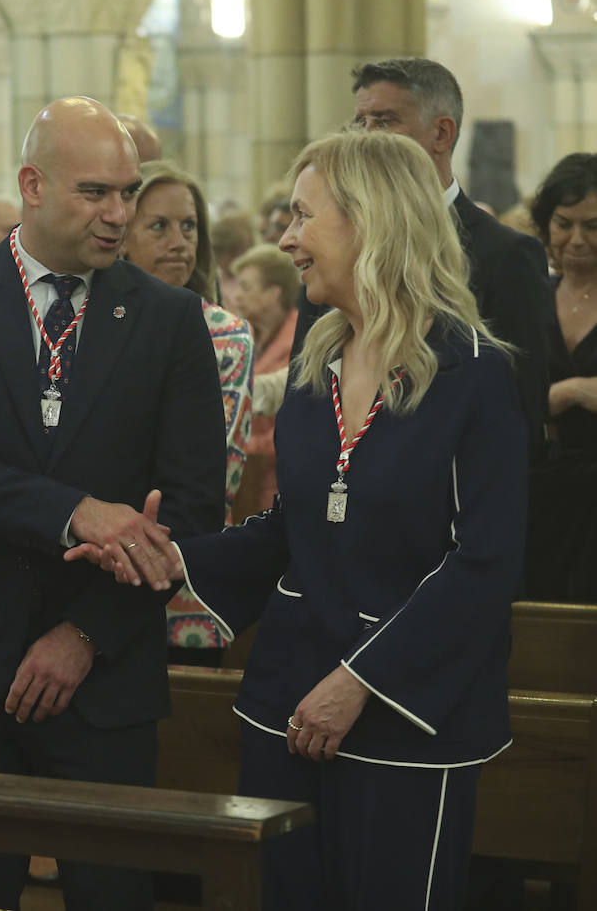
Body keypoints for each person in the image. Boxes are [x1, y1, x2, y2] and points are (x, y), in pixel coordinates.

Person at [70, 130, 526, 911]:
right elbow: (294, 526)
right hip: (288, 697)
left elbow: (484, 561)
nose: (285, 240)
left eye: (302, 216)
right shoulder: (318, 366)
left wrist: (359, 683)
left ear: (371, 221)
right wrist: (173, 559)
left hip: (409, 714)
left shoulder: (475, 374)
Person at [0, 96, 225, 909]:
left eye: (127, 193)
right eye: (95, 192)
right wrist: (76, 511)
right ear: (33, 185)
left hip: (104, 675)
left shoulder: (168, 319)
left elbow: (193, 506)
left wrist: (83, 636)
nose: (119, 215)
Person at [292, 58, 550, 458]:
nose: (366, 137)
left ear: (441, 133)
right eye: (360, 122)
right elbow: (307, 394)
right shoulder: (332, 249)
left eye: (384, 121)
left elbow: (521, 413)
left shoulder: (506, 255)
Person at [125, 161, 255, 660]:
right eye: (158, 227)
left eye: (189, 226)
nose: (179, 241)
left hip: (183, 582)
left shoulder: (224, 333)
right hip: (84, 570)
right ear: (121, 235)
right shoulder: (84, 322)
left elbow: (217, 473)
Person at [525, 152, 597, 601]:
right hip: (541, 482)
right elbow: (508, 392)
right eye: (564, 223)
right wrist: (570, 392)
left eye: (593, 225)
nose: (577, 239)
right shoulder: (532, 294)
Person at [232, 243, 302, 512]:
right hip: (249, 486)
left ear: (274, 294)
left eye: (247, 287)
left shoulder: (298, 342)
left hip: (274, 493)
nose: (237, 296)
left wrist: (236, 445)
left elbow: (288, 431)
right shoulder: (247, 335)